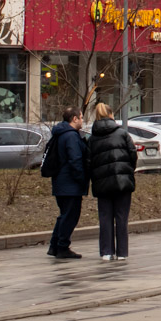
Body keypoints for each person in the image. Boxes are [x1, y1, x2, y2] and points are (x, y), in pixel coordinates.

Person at [86, 103, 137, 261]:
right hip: (122, 181)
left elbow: (88, 162)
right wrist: (127, 171)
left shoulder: (92, 138)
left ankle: (106, 252)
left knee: (105, 217)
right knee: (121, 217)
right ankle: (122, 253)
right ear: (111, 115)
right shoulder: (122, 134)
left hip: (102, 184)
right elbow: (133, 154)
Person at [47, 106, 88, 259]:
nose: (83, 120)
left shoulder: (60, 133)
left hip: (60, 181)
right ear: (74, 119)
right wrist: (81, 178)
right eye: (81, 117)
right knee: (70, 215)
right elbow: (75, 159)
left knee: (64, 215)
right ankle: (62, 247)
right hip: (70, 184)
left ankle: (55, 246)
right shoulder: (70, 136)